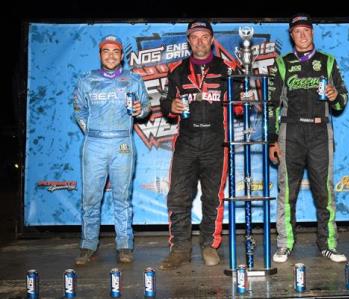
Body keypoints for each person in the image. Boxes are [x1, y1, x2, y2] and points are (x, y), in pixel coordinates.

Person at [159, 20, 242, 270]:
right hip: (186, 141)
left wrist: (241, 98)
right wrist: (170, 107)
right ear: (188, 40)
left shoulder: (228, 69)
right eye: (194, 37)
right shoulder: (177, 70)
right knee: (178, 196)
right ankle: (180, 249)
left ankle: (209, 245)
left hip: (217, 142)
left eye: (204, 36)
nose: (199, 41)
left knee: (213, 198)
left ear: (212, 39)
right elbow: (165, 102)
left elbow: (239, 105)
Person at [268, 14, 349, 263]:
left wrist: (335, 95)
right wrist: (272, 140)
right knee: (287, 192)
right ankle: (285, 244)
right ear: (291, 35)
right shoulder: (281, 64)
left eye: (306, 31)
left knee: (324, 191)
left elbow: (342, 101)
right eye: (297, 31)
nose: (302, 35)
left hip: (319, 133)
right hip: (290, 133)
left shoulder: (328, 62)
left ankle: (329, 245)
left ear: (312, 33)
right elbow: (272, 105)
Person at [73, 35, 151, 265]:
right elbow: (79, 111)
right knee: (90, 198)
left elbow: (145, 107)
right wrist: (92, 132)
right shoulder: (87, 80)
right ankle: (88, 245)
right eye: (105, 51)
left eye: (115, 51)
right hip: (94, 144)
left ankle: (124, 245)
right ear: (100, 54)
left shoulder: (133, 80)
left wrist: (140, 110)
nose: (110, 55)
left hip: (122, 144)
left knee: (122, 197)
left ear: (122, 56)